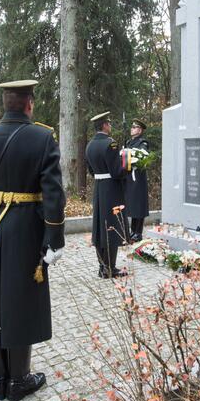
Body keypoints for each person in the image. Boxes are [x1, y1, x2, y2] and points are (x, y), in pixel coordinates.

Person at [0, 79, 66, 401]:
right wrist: (55, 237)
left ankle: (0, 378)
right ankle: (18, 381)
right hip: (26, 230)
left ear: (5, 103)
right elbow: (53, 193)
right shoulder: (42, 137)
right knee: (21, 301)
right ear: (29, 103)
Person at [85, 111, 138, 278]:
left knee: (100, 228)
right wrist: (129, 164)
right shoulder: (111, 144)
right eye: (108, 123)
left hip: (99, 188)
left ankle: (103, 266)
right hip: (111, 189)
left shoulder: (90, 145)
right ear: (105, 125)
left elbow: (92, 171)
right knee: (112, 227)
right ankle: (110, 268)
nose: (110, 126)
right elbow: (116, 171)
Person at [123, 118, 150, 242]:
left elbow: (142, 155)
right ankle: (132, 231)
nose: (131, 129)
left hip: (138, 178)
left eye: (134, 127)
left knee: (138, 204)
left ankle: (138, 232)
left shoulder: (142, 142)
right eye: (132, 127)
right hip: (129, 177)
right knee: (133, 205)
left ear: (139, 130)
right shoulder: (129, 142)